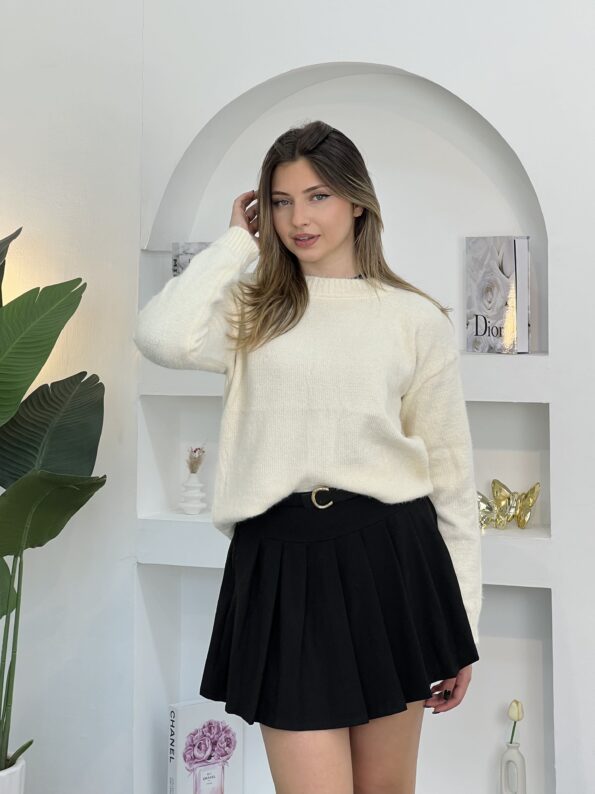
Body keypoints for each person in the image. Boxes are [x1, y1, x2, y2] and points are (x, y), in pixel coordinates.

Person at [133, 120, 483, 794]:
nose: (299, 218)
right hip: (280, 561)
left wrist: (460, 625)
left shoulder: (413, 318)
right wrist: (235, 244)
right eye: (281, 201)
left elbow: (450, 478)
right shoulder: (252, 310)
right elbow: (160, 335)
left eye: (318, 196)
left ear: (357, 202)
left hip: (391, 557)